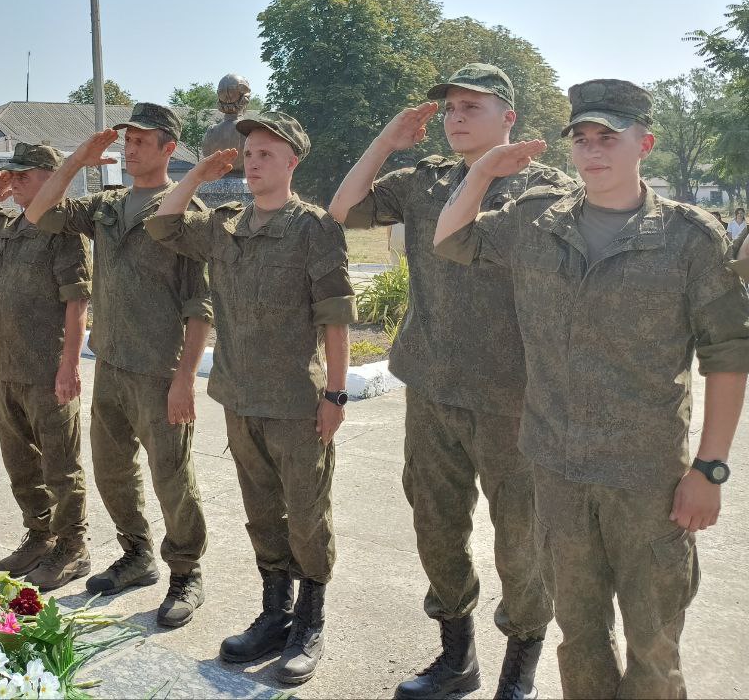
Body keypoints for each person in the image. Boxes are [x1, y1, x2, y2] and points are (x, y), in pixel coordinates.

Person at [434, 79, 749, 699]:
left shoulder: (691, 238)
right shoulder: (535, 222)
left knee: (654, 644)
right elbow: (450, 240)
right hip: (557, 468)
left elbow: (728, 355)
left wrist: (709, 469)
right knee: (578, 636)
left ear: (645, 144)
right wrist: (482, 175)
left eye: (608, 137)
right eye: (581, 138)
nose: (592, 150)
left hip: (647, 477)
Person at [329, 64, 569, 700]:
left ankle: (520, 664)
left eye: (473, 106)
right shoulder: (425, 180)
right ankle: (455, 656)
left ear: (508, 117)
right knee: (436, 524)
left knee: (520, 535)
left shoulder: (545, 187)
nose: (457, 116)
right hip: (433, 385)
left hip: (513, 398)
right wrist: (385, 142)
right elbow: (341, 210)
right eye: (451, 108)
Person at [146, 112, 356, 687]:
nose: (253, 160)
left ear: (292, 161)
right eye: (249, 152)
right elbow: (163, 225)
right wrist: (195, 175)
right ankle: (275, 613)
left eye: (267, 152)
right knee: (262, 512)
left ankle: (310, 621)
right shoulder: (222, 225)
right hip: (240, 398)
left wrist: (335, 392)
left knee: (308, 516)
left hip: (296, 401)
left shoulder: (313, 227)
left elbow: (335, 316)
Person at [24, 102, 213, 628]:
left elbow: (201, 306)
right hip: (110, 363)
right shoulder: (106, 205)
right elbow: (39, 212)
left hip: (159, 369)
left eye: (142, 141)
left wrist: (185, 380)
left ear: (169, 148)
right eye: (126, 141)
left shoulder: (185, 214)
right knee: (112, 472)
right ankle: (136, 555)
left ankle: (186, 573)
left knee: (171, 477)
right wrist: (77, 160)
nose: (130, 150)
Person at [0, 143, 94, 591]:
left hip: (48, 370)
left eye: (25, 175)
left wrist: (70, 366)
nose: (16, 181)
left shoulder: (62, 230)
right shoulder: (0, 227)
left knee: (61, 467)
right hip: (8, 367)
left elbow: (77, 303)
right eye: (13, 174)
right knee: (20, 463)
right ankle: (40, 535)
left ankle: (73, 548)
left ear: (51, 176)